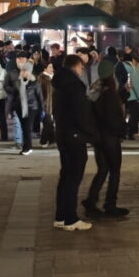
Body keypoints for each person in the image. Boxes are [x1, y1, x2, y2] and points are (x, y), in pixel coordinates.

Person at [52, 54, 100, 231]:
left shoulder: (59, 84)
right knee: (74, 177)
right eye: (81, 67)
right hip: (75, 136)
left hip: (63, 135)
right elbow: (81, 113)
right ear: (76, 66)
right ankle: (70, 218)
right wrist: (91, 134)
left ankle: (61, 216)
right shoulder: (74, 86)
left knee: (65, 175)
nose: (82, 71)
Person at [82, 58, 129, 219]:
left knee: (102, 170)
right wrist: (123, 130)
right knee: (114, 170)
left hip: (98, 138)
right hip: (110, 137)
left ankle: (91, 200)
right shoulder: (109, 93)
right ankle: (110, 204)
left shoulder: (96, 90)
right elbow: (113, 117)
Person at [121, 53, 139, 139]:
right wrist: (138, 95)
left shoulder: (118, 66)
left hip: (120, 94)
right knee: (135, 113)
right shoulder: (130, 68)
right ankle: (130, 132)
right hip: (131, 95)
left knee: (123, 114)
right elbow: (135, 83)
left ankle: (122, 132)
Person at [39, 63, 55, 147]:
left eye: (52, 67)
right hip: (46, 104)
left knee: (51, 123)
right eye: (50, 67)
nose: (52, 68)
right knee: (48, 123)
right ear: (45, 69)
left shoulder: (54, 77)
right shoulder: (42, 79)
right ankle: (43, 141)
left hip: (55, 103)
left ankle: (52, 140)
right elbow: (41, 93)